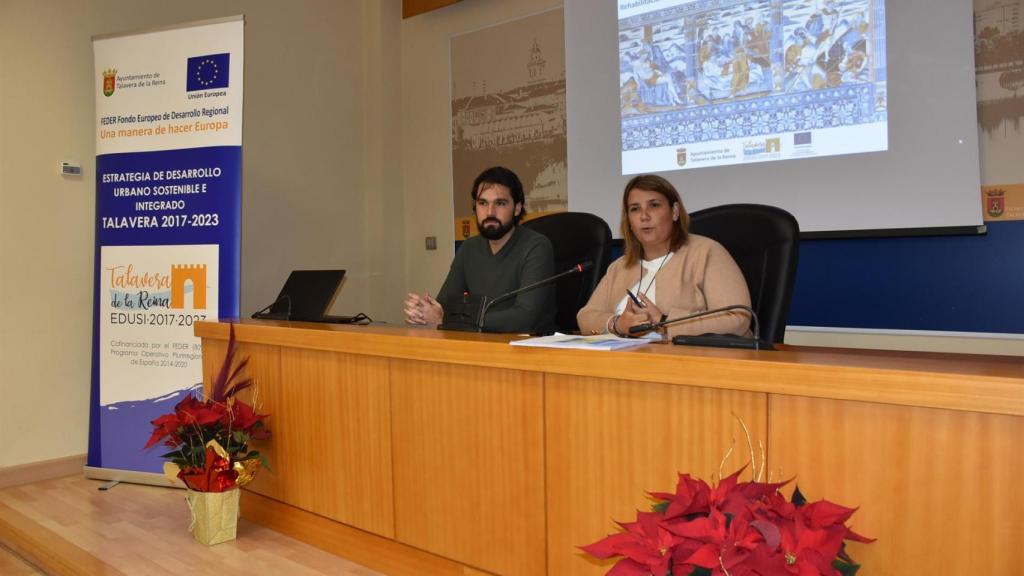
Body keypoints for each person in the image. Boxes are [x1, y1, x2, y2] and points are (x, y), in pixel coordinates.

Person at [577, 174, 751, 338]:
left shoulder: (706, 252)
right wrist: (618, 325)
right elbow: (586, 317)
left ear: (674, 211)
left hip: (691, 364)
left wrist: (664, 321)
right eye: (635, 209)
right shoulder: (620, 266)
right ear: (628, 221)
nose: (644, 216)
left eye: (654, 205)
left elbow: (737, 317)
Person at [404, 166, 557, 333]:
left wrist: (446, 320)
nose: (490, 212)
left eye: (500, 203)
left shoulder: (536, 247)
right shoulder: (469, 248)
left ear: (517, 208)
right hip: (479, 345)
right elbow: (444, 306)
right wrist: (424, 312)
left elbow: (524, 318)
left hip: (528, 349)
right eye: (482, 203)